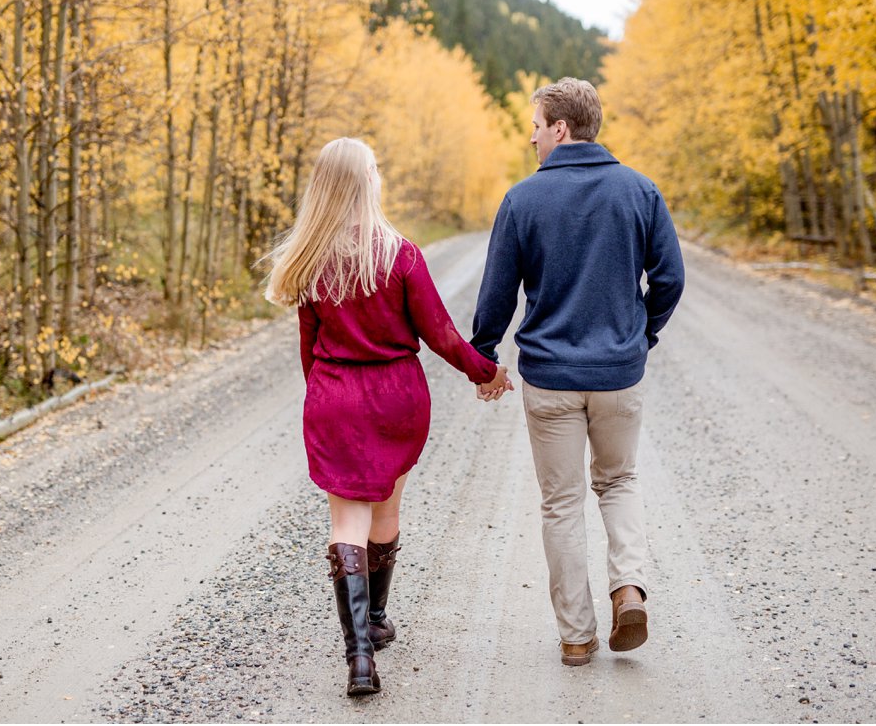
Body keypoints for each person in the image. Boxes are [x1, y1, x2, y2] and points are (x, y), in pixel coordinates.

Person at [264, 137, 513, 696]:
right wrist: (486, 373)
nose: (379, 177)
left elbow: (309, 350)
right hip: (397, 399)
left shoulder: (310, 258)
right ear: (365, 181)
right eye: (374, 169)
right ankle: (375, 621)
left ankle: (358, 658)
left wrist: (326, 402)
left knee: (345, 524)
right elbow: (442, 334)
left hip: (336, 397)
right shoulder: (400, 254)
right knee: (386, 515)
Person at [470, 77, 685, 667]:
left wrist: (483, 356)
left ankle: (576, 635)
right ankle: (629, 590)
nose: (533, 139)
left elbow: (497, 293)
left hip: (550, 378)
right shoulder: (640, 192)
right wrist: (642, 335)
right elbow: (670, 279)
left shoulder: (522, 199)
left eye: (536, 127)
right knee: (618, 483)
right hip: (620, 374)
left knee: (561, 502)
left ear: (560, 129)